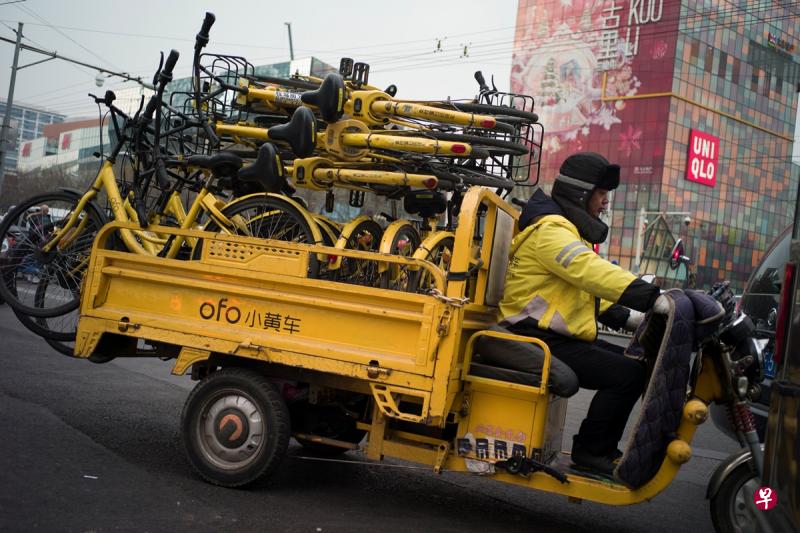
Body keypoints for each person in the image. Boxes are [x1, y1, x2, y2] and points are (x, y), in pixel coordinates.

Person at [498, 152, 663, 476]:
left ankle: (597, 448)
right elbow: (590, 272)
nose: (604, 203)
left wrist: (631, 318)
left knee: (634, 365)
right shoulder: (551, 231)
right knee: (626, 375)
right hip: (533, 335)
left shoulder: (566, 231)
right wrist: (653, 298)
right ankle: (591, 451)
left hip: (550, 334)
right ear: (581, 194)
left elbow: (584, 292)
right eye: (601, 195)